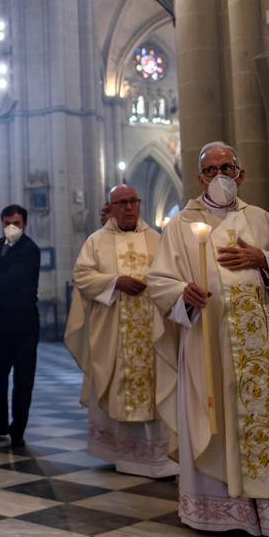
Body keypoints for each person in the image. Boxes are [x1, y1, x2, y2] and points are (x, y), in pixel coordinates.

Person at [146, 142, 269, 536]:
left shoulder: (261, 220)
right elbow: (160, 283)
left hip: (266, 347)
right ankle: (221, 512)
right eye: (211, 170)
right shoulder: (180, 226)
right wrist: (181, 295)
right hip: (211, 346)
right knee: (216, 421)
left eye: (228, 168)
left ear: (241, 174)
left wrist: (265, 261)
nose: (220, 176)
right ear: (200, 177)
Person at [67, 184, 177, 477]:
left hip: (153, 330)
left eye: (133, 201)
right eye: (122, 203)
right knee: (117, 386)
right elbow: (82, 276)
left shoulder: (157, 239)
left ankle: (159, 456)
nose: (129, 207)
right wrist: (116, 282)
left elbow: (173, 277)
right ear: (112, 207)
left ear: (139, 204)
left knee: (158, 387)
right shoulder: (96, 241)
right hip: (115, 330)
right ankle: (121, 453)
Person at [0, 204, 41, 447]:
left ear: (24, 224)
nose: (11, 228)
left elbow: (12, 281)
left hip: (23, 324)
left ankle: (18, 430)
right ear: (1, 223)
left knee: (23, 380)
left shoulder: (30, 250)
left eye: (16, 223)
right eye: (7, 223)